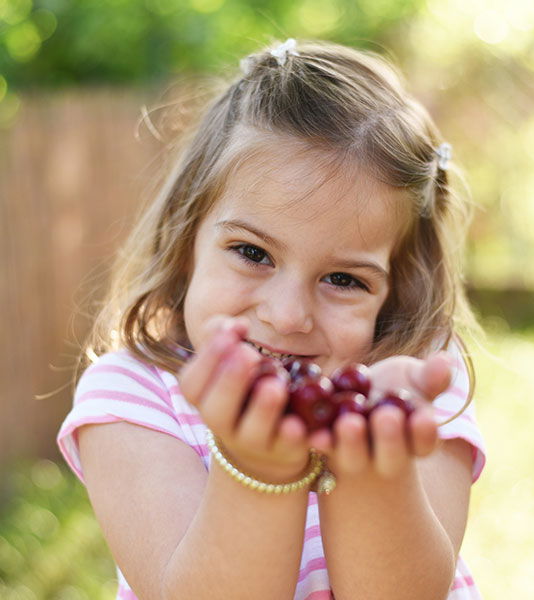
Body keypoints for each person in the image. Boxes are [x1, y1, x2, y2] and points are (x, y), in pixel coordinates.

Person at [57, 38, 486, 600]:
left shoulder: (412, 384)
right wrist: (259, 467)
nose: (287, 317)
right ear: (187, 239)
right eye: (253, 253)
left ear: (395, 290)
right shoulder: (131, 398)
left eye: (344, 280)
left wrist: (370, 466)